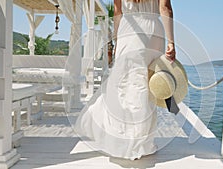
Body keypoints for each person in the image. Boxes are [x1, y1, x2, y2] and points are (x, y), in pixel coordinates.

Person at [75, 0, 176, 160]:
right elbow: (165, 8)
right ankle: (142, 143)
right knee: (146, 84)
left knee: (125, 85)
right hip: (153, 30)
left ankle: (123, 139)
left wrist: (116, 39)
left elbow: (117, 12)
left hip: (128, 29)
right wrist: (171, 42)